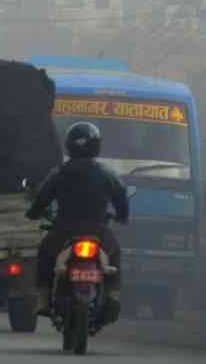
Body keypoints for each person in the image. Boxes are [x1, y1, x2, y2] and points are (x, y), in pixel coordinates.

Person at [25, 122, 129, 322]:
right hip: (98, 231)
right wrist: (122, 216)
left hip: (64, 229)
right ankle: (113, 296)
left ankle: (43, 299)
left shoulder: (59, 173)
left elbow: (41, 199)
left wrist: (34, 213)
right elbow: (121, 196)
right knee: (114, 253)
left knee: (45, 254)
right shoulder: (105, 173)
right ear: (96, 145)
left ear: (69, 145)